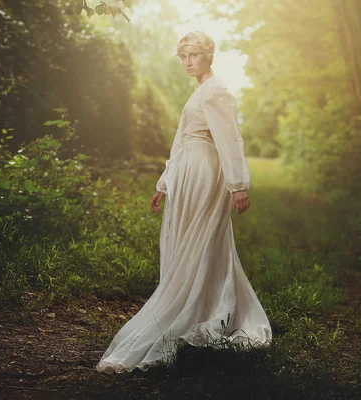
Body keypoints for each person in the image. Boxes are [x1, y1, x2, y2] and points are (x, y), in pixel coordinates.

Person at [96, 30, 272, 374]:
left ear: (209, 55)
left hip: (206, 171)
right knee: (188, 240)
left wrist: (238, 185)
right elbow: (180, 141)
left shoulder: (217, 91)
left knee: (203, 240)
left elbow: (229, 139)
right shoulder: (199, 91)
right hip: (189, 170)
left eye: (194, 55)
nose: (188, 62)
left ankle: (197, 309)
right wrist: (164, 183)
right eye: (183, 57)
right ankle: (198, 305)